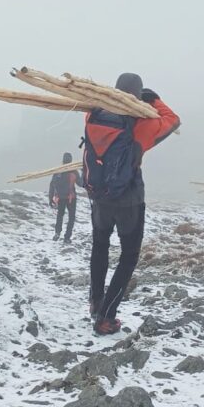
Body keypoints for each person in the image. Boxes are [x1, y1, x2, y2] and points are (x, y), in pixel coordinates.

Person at [83, 72, 180, 335]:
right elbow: (172, 120)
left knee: (100, 247)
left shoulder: (92, 116)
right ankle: (106, 317)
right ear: (138, 97)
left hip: (99, 198)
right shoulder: (142, 126)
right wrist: (154, 99)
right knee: (128, 257)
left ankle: (95, 301)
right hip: (129, 201)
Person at [48, 151, 82, 243]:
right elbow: (81, 184)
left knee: (61, 216)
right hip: (69, 198)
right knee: (69, 217)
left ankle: (59, 234)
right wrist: (83, 173)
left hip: (67, 197)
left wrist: (50, 198)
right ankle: (65, 237)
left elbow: (52, 185)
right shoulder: (69, 171)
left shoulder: (60, 171)